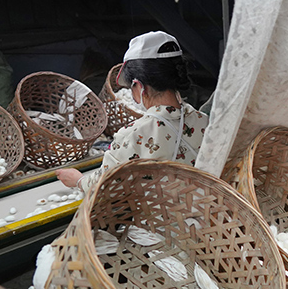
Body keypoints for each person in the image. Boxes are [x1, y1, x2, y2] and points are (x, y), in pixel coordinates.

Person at [56, 31, 208, 192]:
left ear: (139, 86)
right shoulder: (204, 121)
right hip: (205, 206)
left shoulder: (133, 135)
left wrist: (79, 181)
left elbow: (104, 187)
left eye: (130, 87)